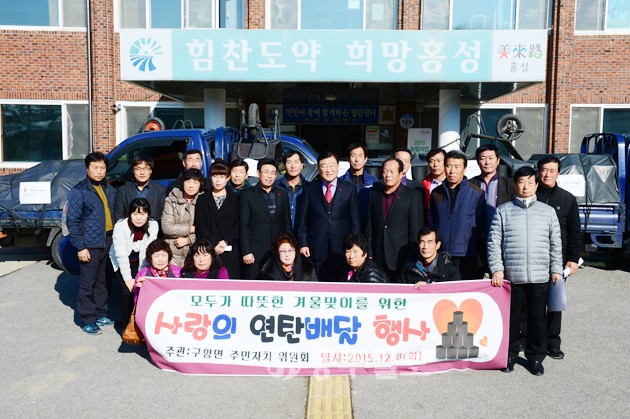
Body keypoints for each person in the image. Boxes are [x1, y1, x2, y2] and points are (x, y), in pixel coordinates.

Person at [488, 166, 563, 376]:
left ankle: (536, 357)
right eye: (521, 182)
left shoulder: (547, 212)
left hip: (539, 276)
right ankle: (509, 355)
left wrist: (556, 269)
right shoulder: (503, 211)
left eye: (530, 182)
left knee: (537, 319)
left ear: (536, 185)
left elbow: (556, 244)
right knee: (511, 319)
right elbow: (494, 243)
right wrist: (497, 269)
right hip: (512, 276)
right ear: (515, 185)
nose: (525, 186)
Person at [536, 155, 582, 360]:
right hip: (534, 258)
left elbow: (574, 231)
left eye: (551, 170)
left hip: (557, 259)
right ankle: (529, 339)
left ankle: (553, 343)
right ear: (538, 171)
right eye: (544, 170)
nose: (547, 174)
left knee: (554, 303)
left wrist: (573, 259)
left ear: (558, 173)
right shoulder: (530, 195)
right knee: (532, 302)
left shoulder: (567, 198)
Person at [67, 152, 116, 335]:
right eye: (95, 167)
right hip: (90, 244)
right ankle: (87, 319)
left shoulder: (108, 188)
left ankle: (100, 313)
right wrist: (80, 247)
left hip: (107, 240)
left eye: (102, 168)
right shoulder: (79, 191)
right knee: (87, 282)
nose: (99, 171)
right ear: (87, 168)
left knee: (102, 280)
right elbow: (73, 221)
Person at [297, 152, 360, 281]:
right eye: (324, 166)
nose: (328, 170)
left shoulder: (349, 188)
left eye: (332, 165)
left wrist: (355, 245)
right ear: (318, 168)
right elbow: (302, 219)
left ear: (338, 166)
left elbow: (355, 220)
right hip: (316, 245)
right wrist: (303, 243)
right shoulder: (310, 188)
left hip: (341, 246)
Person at [430, 150, 486, 280]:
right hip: (441, 254)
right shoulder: (436, 193)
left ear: (464, 169)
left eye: (457, 166)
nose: (452, 171)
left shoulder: (476, 193)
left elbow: (481, 226)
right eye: (449, 166)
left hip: (467, 255)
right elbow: (433, 221)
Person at [365, 157, 423, 281]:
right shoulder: (374, 195)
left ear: (401, 174)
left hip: (401, 257)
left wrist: (410, 259)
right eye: (385, 171)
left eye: (392, 172)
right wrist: (369, 253)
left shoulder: (412, 195)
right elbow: (369, 227)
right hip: (378, 257)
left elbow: (415, 230)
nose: (388, 175)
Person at [239, 158, 292, 279]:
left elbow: (287, 224)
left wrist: (288, 248)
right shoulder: (247, 195)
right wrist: (246, 251)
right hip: (255, 253)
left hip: (277, 252)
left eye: (273, 173)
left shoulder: (282, 194)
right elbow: (244, 225)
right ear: (258, 173)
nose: (269, 176)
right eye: (266, 172)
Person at [110, 198, 159, 328]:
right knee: (127, 291)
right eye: (135, 213)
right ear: (130, 214)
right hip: (121, 261)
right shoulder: (121, 226)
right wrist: (128, 279)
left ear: (148, 215)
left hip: (140, 261)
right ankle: (125, 324)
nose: (138, 218)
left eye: (143, 214)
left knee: (141, 288)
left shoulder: (153, 225)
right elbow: (121, 255)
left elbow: (147, 252)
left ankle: (139, 322)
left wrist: (140, 275)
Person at [195, 159, 241, 278]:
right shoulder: (203, 199)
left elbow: (238, 224)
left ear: (228, 178)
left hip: (230, 248)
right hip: (209, 249)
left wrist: (225, 241)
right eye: (215, 176)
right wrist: (214, 244)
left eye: (221, 176)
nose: (218, 180)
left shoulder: (235, 198)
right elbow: (200, 224)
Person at [161, 168, 204, 267]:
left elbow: (205, 230)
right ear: (182, 182)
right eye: (188, 181)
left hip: (195, 254)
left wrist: (188, 240)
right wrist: (191, 229)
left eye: (195, 182)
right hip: (172, 252)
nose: (191, 186)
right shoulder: (171, 200)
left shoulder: (204, 201)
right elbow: (166, 227)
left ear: (200, 185)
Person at [469, 144, 516, 231]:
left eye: (491, 158)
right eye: (483, 158)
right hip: (475, 234)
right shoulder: (470, 184)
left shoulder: (510, 184)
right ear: (477, 162)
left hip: (501, 232)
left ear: (498, 160)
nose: (487, 162)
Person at [114, 155, 166, 223]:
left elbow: (162, 215)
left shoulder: (160, 190)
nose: (142, 173)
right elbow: (118, 215)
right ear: (133, 171)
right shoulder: (123, 190)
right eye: (138, 169)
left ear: (150, 171)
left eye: (146, 169)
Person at [340, 143, 378, 230]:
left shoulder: (374, 181)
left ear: (365, 159)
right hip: (347, 227)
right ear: (348, 158)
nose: (357, 160)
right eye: (353, 156)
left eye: (360, 156)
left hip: (368, 226)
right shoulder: (340, 181)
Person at [134, 239, 182, 304]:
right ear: (150, 258)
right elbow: (137, 298)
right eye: (156, 256)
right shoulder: (143, 274)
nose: (160, 260)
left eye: (164, 255)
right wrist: (140, 289)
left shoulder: (179, 272)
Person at [275, 151, 308, 232]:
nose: (293, 166)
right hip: (281, 235)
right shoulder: (276, 187)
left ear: (302, 165)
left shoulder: (309, 188)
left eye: (296, 162)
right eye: (289, 162)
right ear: (284, 165)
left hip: (302, 234)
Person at [420, 148, 446, 223]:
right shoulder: (423, 185)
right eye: (432, 161)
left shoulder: (453, 183)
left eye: (439, 161)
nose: (435, 165)